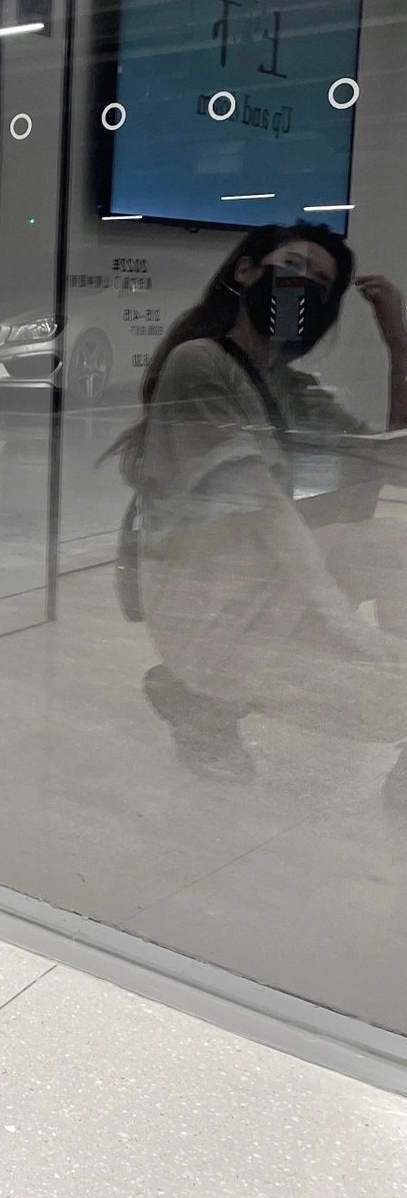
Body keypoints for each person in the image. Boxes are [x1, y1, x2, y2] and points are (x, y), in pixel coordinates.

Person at [108, 221, 407, 798]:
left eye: (321, 282)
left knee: (397, 545)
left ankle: (207, 692)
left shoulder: (289, 386)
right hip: (207, 593)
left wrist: (398, 339)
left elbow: (393, 460)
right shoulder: (199, 363)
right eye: (292, 266)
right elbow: (262, 508)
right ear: (246, 271)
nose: (302, 286)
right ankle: (202, 692)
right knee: (388, 705)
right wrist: (345, 628)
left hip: (265, 577)